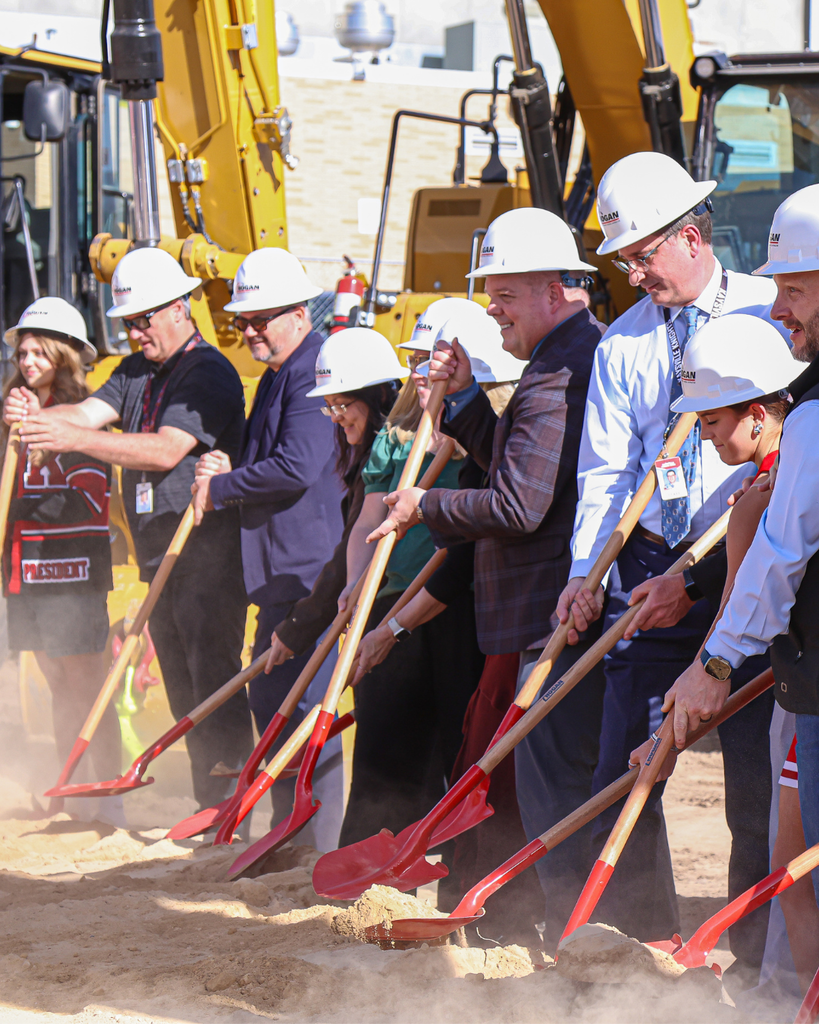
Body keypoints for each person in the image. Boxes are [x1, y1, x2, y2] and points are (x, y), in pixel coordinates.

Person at [556, 151, 787, 978]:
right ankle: (625, 946)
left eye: (641, 254)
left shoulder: (768, 314)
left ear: (689, 237)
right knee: (629, 756)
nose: (632, 271)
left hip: (757, 558)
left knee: (757, 784)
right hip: (657, 566)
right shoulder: (621, 346)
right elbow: (606, 474)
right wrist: (586, 576)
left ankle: (759, 954)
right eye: (622, 260)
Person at [367, 207, 605, 946]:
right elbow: (509, 463)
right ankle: (539, 925)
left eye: (501, 295)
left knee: (547, 789)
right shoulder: (551, 361)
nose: (491, 311)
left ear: (548, 287)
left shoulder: (563, 369)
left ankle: (552, 930)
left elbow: (517, 502)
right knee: (528, 783)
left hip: (547, 611)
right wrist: (467, 399)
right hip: (535, 612)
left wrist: (423, 501)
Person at [15, 248, 252, 811]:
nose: (135, 331)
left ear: (178, 308)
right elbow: (87, 415)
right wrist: (32, 417)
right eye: (128, 322)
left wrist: (73, 440)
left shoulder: (208, 374)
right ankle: (207, 807)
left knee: (211, 684)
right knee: (182, 690)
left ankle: (230, 808)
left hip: (204, 557)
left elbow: (166, 450)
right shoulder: (136, 371)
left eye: (143, 319)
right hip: (161, 560)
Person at [666, 184, 819, 990]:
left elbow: (776, 559)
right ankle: (779, 997)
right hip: (800, 682)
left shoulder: (808, 431)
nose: (780, 306)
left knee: (796, 870)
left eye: (793, 289)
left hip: (804, 689)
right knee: (789, 863)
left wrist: (714, 663)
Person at [337, 315, 485, 848]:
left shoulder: (476, 435)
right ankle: (371, 861)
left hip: (455, 604)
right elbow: (366, 520)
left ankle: (451, 862)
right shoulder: (396, 438)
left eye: (434, 359)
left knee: (458, 740)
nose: (423, 371)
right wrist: (357, 585)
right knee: (383, 735)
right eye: (416, 360)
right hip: (393, 595)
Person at [1, 297, 121, 822]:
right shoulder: (8, 411)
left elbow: (90, 497)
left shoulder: (83, 415)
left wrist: (27, 493)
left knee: (88, 684)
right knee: (54, 683)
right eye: (23, 353)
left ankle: (110, 792)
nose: (28, 362)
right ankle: (70, 788)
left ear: (64, 357)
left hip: (73, 570)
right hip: (25, 572)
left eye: (39, 353)